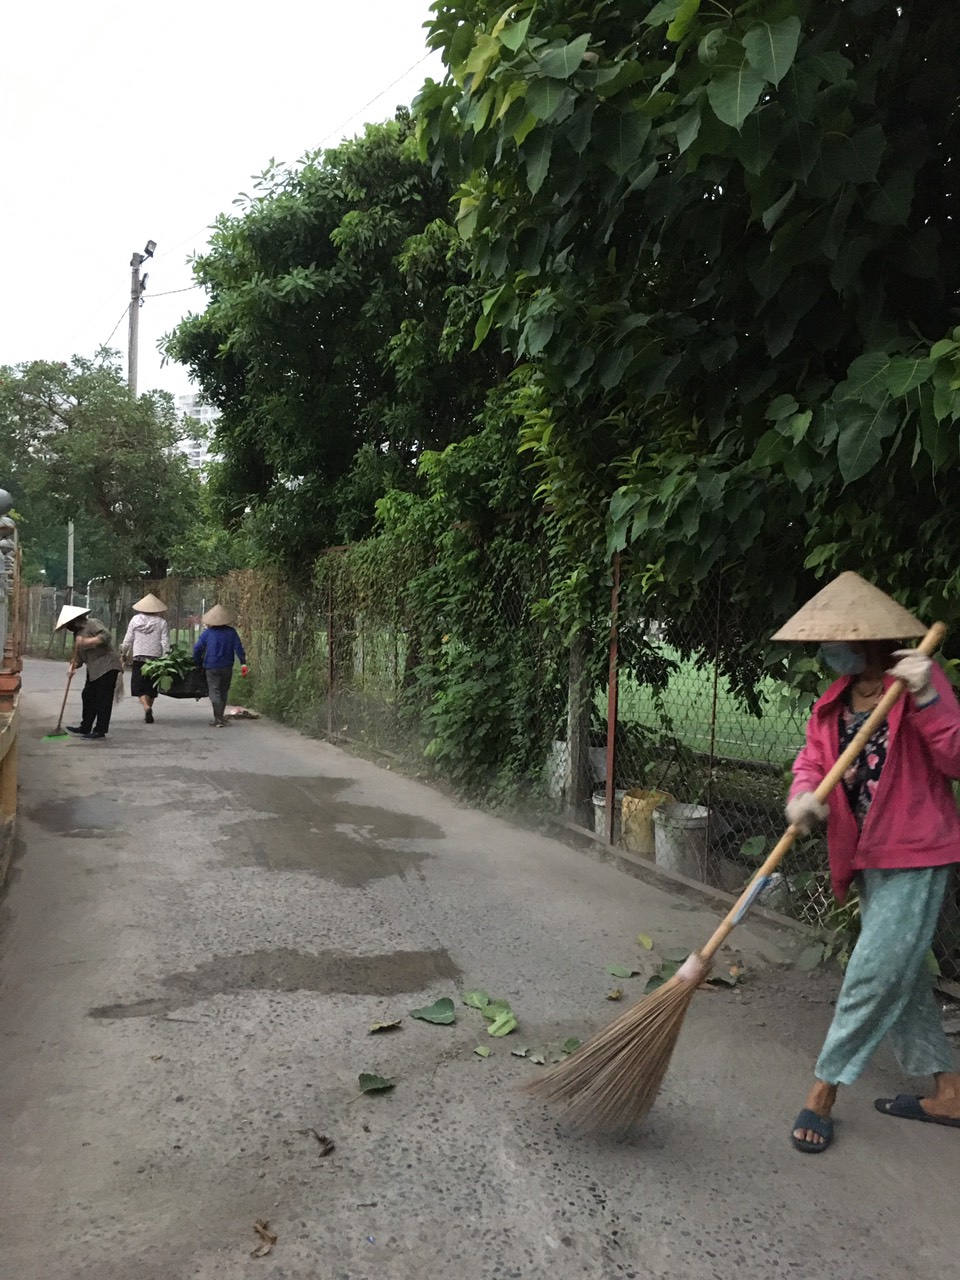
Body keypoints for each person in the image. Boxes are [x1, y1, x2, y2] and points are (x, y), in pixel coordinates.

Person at [772, 571, 960, 1153]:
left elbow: (956, 759)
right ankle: (950, 1093)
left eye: (841, 639)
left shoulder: (921, 684)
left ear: (873, 639)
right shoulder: (832, 704)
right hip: (868, 857)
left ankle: (822, 1092)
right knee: (899, 978)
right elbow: (812, 763)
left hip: (917, 852)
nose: (831, 651)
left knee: (872, 973)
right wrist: (801, 799)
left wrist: (928, 698)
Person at [55, 604, 123, 740]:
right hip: (93, 669)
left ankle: (100, 730)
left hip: (107, 665)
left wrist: (88, 641)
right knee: (88, 695)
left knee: (103, 699)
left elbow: (106, 636)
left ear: (74, 621)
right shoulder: (77, 635)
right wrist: (72, 666)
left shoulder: (92, 624)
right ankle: (85, 726)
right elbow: (78, 657)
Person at [193, 604, 247, 728]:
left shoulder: (208, 633)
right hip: (227, 666)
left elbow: (197, 648)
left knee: (214, 691)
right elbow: (238, 648)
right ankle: (220, 717)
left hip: (211, 666)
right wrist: (243, 662)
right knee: (223, 691)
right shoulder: (231, 632)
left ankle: (218, 719)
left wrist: (197, 662)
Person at [121, 592, 170, 724]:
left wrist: (123, 652)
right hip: (155, 659)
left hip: (139, 657)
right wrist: (166, 656)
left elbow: (128, 639)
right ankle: (148, 708)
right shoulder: (161, 622)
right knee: (151, 687)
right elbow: (164, 641)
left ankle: (146, 707)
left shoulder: (135, 620)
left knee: (138, 686)